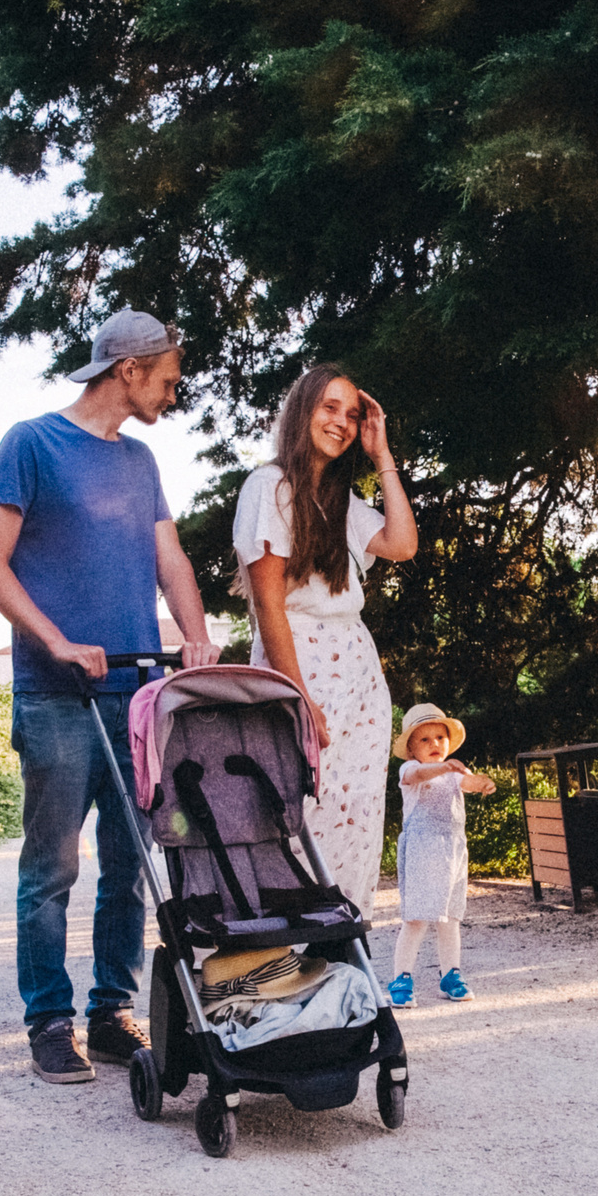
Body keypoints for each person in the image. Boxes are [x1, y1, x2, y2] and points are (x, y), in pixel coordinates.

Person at [0, 309, 222, 1086]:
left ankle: (111, 1011)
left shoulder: (142, 461)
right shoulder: (31, 444)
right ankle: (48, 1019)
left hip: (137, 693)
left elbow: (170, 560)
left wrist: (197, 635)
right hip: (56, 695)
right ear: (129, 369)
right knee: (52, 866)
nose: (174, 394)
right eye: (170, 378)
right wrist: (52, 639)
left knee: (131, 861)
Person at [231, 365, 417, 913]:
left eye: (351, 414)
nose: (340, 422)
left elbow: (403, 543)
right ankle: (285, 954)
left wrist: (382, 455)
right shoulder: (269, 487)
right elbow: (269, 604)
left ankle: (341, 952)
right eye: (328, 408)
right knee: (298, 813)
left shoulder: (339, 500)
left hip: (358, 677)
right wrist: (297, 696)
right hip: (302, 671)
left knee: (356, 818)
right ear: (302, 410)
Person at [388, 702, 494, 1006]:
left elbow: (469, 782)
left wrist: (482, 783)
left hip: (452, 850)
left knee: (450, 917)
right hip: (422, 849)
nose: (435, 744)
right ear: (410, 748)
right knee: (417, 917)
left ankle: (451, 975)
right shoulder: (410, 769)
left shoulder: (454, 771)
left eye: (440, 738)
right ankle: (401, 976)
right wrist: (443, 767)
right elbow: (419, 775)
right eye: (424, 739)